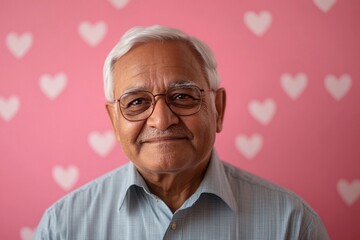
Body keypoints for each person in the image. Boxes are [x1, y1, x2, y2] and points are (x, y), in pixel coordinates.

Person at [34, 25, 329, 239]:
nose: (161, 120)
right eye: (137, 102)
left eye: (183, 96)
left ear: (218, 109)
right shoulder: (64, 226)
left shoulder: (291, 223)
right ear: (114, 122)